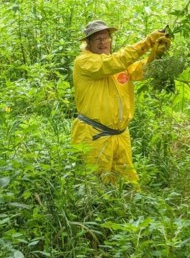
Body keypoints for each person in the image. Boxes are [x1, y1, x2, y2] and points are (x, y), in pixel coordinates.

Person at [72, 20, 170, 185]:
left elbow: (142, 70)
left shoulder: (116, 64)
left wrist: (156, 54)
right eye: (98, 39)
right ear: (88, 43)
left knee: (129, 186)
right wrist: (147, 43)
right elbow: (113, 64)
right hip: (94, 136)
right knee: (97, 188)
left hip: (120, 136)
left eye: (106, 38)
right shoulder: (84, 62)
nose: (103, 42)